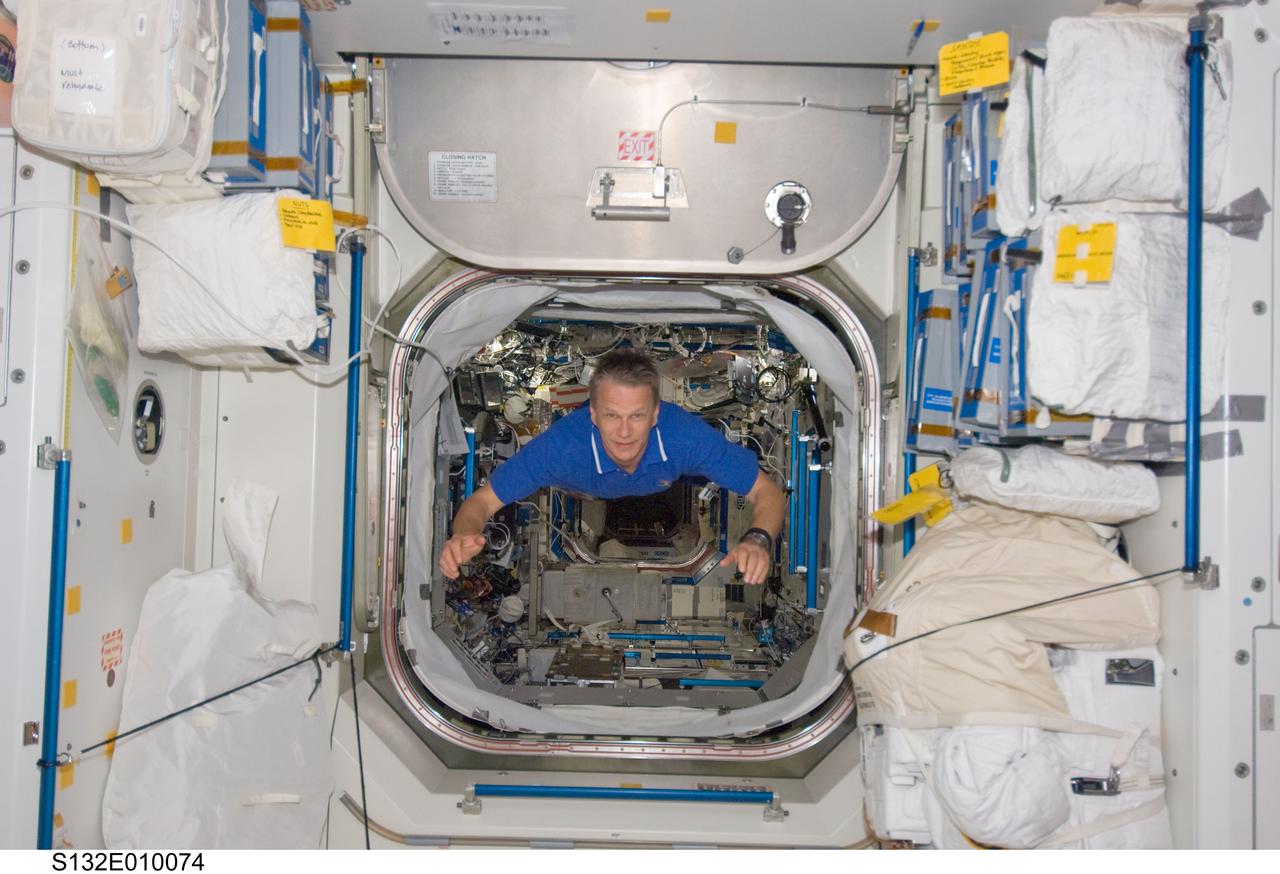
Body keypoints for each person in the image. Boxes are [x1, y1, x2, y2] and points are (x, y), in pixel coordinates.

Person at [439, 349, 786, 583]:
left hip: (674, 473)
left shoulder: (685, 436)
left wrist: (758, 539)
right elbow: (480, 503)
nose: (623, 432)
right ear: (592, 414)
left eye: (636, 416)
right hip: (585, 485)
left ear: (655, 415)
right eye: (611, 415)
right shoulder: (561, 448)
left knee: (707, 469)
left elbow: (766, 490)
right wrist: (464, 533)